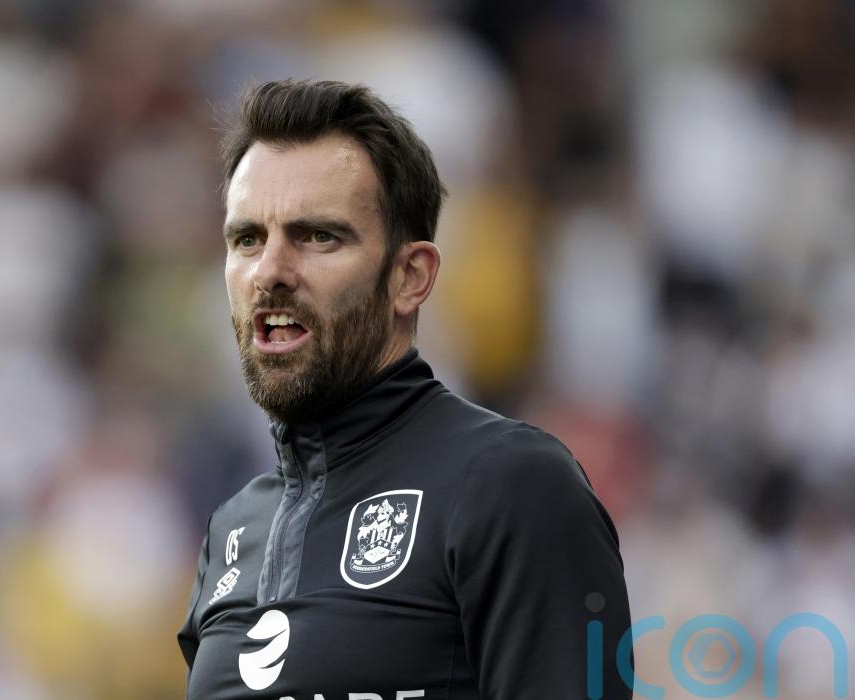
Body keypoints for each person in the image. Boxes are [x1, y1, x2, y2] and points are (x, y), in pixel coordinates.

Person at [178, 79, 632, 699]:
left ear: (410, 276)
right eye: (247, 239)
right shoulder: (233, 530)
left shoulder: (510, 486)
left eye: (318, 236)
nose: (270, 272)